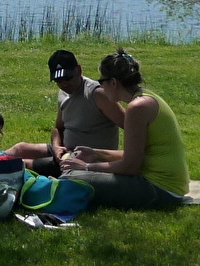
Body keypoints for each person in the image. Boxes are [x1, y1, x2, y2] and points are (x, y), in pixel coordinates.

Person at [59, 48, 190, 209]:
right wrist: (96, 153)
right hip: (167, 185)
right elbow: (134, 155)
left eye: (102, 82)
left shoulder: (137, 108)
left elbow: (129, 167)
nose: (100, 87)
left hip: (159, 189)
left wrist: (85, 167)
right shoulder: (146, 99)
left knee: (70, 179)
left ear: (113, 83)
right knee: (74, 176)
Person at [6, 49, 125, 176]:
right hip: (65, 151)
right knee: (20, 148)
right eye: (58, 81)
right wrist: (57, 146)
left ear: (79, 70)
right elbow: (58, 128)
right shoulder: (64, 94)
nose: (64, 84)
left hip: (87, 158)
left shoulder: (96, 94)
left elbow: (130, 125)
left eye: (68, 78)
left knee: (24, 164)